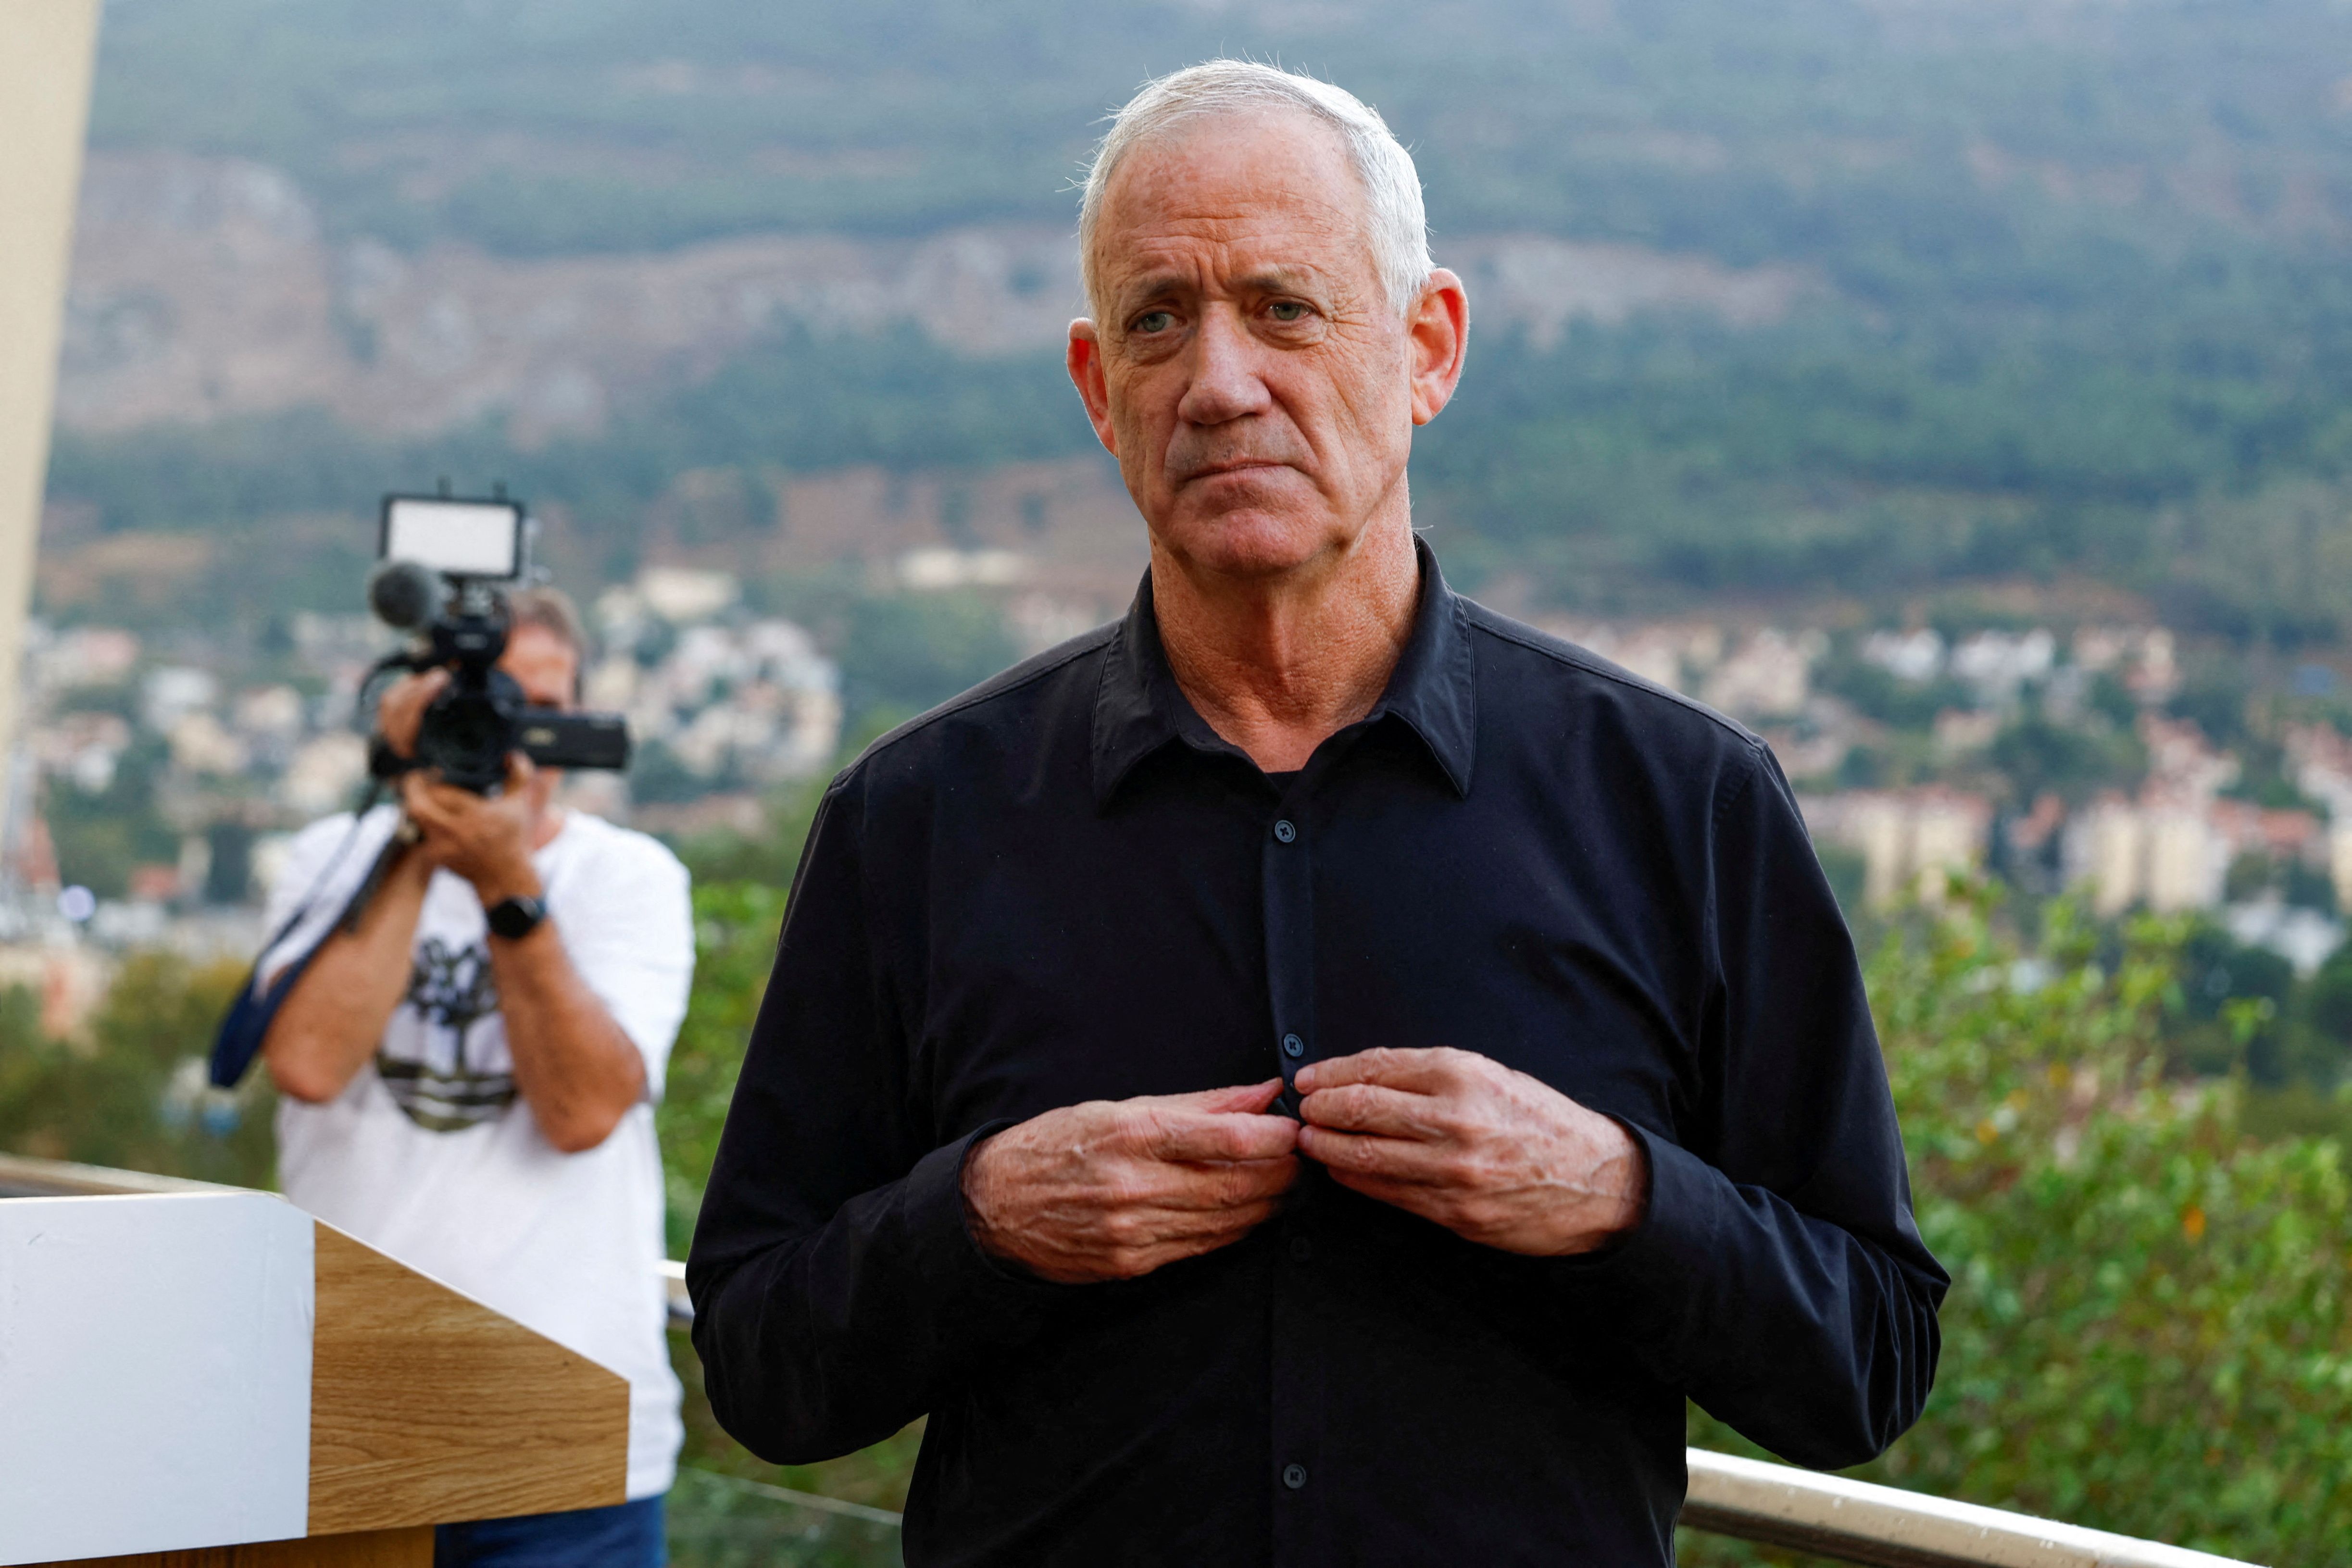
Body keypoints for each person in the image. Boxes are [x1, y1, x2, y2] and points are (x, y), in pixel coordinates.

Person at [688, 61, 1946, 1567]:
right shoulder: (917, 821)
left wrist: (1617, 1193)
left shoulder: (1681, 801)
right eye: (1160, 318)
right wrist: (978, 1218)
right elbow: (760, 1358)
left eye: (1284, 306)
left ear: (1427, 349)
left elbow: (1868, 1357)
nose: (1220, 381)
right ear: (1099, 391)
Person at [258, 587, 691, 1568]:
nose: (511, 739)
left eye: (534, 707)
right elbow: (307, 1062)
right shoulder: (332, 858)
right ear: (412, 706)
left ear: (576, 716)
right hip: (341, 1430)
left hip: (571, 1445)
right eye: (485, 704)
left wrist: (506, 885)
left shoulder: (630, 877)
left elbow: (583, 1108)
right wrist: (421, 839)